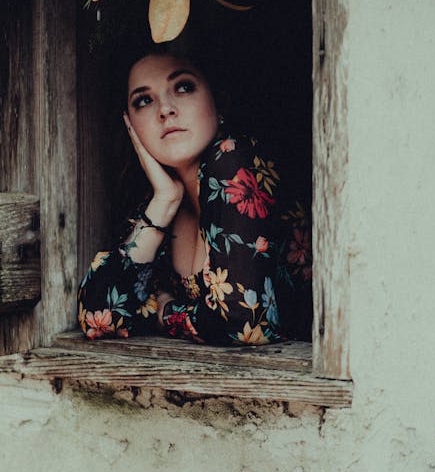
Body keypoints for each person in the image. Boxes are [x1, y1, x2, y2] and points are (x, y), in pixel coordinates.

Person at [78, 51, 311, 345]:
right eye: (143, 100)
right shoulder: (158, 203)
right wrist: (165, 199)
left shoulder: (233, 159)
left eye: (183, 87)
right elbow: (97, 317)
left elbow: (243, 322)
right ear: (130, 125)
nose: (165, 109)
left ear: (216, 98)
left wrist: (162, 312)